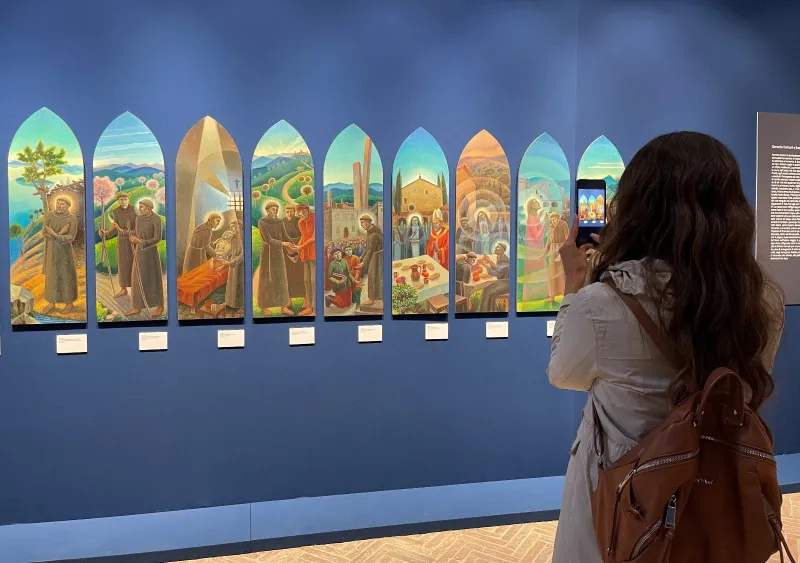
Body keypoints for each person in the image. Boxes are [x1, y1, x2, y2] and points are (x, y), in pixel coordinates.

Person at [547, 132, 785, 563]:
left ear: (638, 208)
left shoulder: (602, 304)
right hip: (717, 497)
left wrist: (573, 283)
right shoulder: (761, 302)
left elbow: (562, 373)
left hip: (629, 503)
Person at [125, 198, 164, 317]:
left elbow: (157, 238)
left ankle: (160, 306)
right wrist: (130, 234)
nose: (139, 209)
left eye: (142, 207)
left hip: (151, 253)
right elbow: (137, 233)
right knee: (137, 277)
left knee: (153, 278)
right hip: (140, 253)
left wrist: (140, 241)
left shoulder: (156, 219)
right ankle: (137, 306)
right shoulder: (138, 219)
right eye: (139, 206)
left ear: (149, 208)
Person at [41, 196, 79, 314]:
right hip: (52, 250)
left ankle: (69, 303)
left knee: (66, 275)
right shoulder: (50, 215)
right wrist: (58, 234)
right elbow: (44, 232)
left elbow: (71, 236)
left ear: (68, 206)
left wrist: (56, 235)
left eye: (62, 204)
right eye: (58, 203)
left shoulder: (72, 218)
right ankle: (51, 302)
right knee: (52, 275)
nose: (59, 206)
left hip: (65, 252)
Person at [257, 201, 293, 316]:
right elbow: (268, 239)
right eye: (273, 209)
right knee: (267, 280)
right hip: (267, 253)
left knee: (281, 279)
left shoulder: (279, 221)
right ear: (267, 210)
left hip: (278, 253)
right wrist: (283, 243)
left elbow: (285, 235)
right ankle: (264, 306)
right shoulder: (262, 222)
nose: (275, 211)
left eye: (277, 209)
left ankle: (283, 306)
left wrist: (294, 245)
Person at [105, 192, 136, 298]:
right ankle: (123, 289)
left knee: (135, 263)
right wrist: (106, 233)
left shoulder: (134, 210)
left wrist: (125, 231)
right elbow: (115, 227)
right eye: (121, 200)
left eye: (125, 199)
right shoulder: (116, 212)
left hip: (134, 240)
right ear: (118, 201)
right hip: (122, 242)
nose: (123, 202)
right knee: (122, 264)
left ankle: (136, 288)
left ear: (128, 200)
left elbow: (139, 228)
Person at [294, 204, 315, 316]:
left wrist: (301, 246)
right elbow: (303, 236)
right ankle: (309, 306)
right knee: (307, 280)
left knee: (314, 281)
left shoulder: (316, 218)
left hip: (314, 253)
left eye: (301, 212)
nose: (300, 214)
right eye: (298, 213)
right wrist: (297, 247)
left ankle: (315, 309)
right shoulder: (300, 222)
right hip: (305, 254)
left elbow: (314, 238)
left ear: (307, 210)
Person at [359, 215, 383, 309]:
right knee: (375, 276)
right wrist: (361, 257)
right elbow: (368, 248)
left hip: (376, 256)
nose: (362, 225)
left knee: (373, 276)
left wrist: (363, 263)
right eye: (361, 223)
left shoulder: (374, 235)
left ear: (368, 222)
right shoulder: (371, 232)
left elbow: (370, 250)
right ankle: (375, 298)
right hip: (375, 255)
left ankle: (372, 299)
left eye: (363, 223)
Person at [544, 211, 569, 302]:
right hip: (552, 250)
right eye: (552, 220)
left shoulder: (564, 224)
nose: (553, 221)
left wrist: (561, 254)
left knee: (562, 273)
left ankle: (565, 295)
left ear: (558, 218)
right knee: (552, 273)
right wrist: (544, 253)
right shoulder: (550, 227)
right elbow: (549, 241)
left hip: (561, 248)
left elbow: (567, 240)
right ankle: (552, 296)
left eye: (554, 219)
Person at [478, 242, 510, 312]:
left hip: (507, 283)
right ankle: (490, 311)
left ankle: (484, 312)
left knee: (487, 291)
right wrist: (489, 261)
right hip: (502, 281)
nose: (495, 248)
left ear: (503, 250)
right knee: (488, 291)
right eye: (496, 246)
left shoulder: (505, 260)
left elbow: (498, 274)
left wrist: (486, 266)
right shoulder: (501, 257)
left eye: (498, 247)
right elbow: (498, 268)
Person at [223, 219, 245, 316]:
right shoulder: (232, 237)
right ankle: (230, 303)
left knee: (239, 285)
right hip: (233, 264)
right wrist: (227, 256)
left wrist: (233, 261)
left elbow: (243, 254)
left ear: (240, 226)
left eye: (235, 226)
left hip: (241, 265)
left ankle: (241, 306)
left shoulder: (244, 237)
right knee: (232, 283)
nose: (233, 228)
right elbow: (230, 250)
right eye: (231, 226)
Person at [282, 203, 304, 299]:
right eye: (287, 212)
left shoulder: (299, 221)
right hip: (286, 251)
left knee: (300, 273)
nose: (289, 214)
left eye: (291, 211)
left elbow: (303, 235)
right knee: (288, 274)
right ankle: (288, 299)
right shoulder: (282, 222)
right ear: (284, 212)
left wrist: (296, 245)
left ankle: (305, 298)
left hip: (298, 249)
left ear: (295, 212)